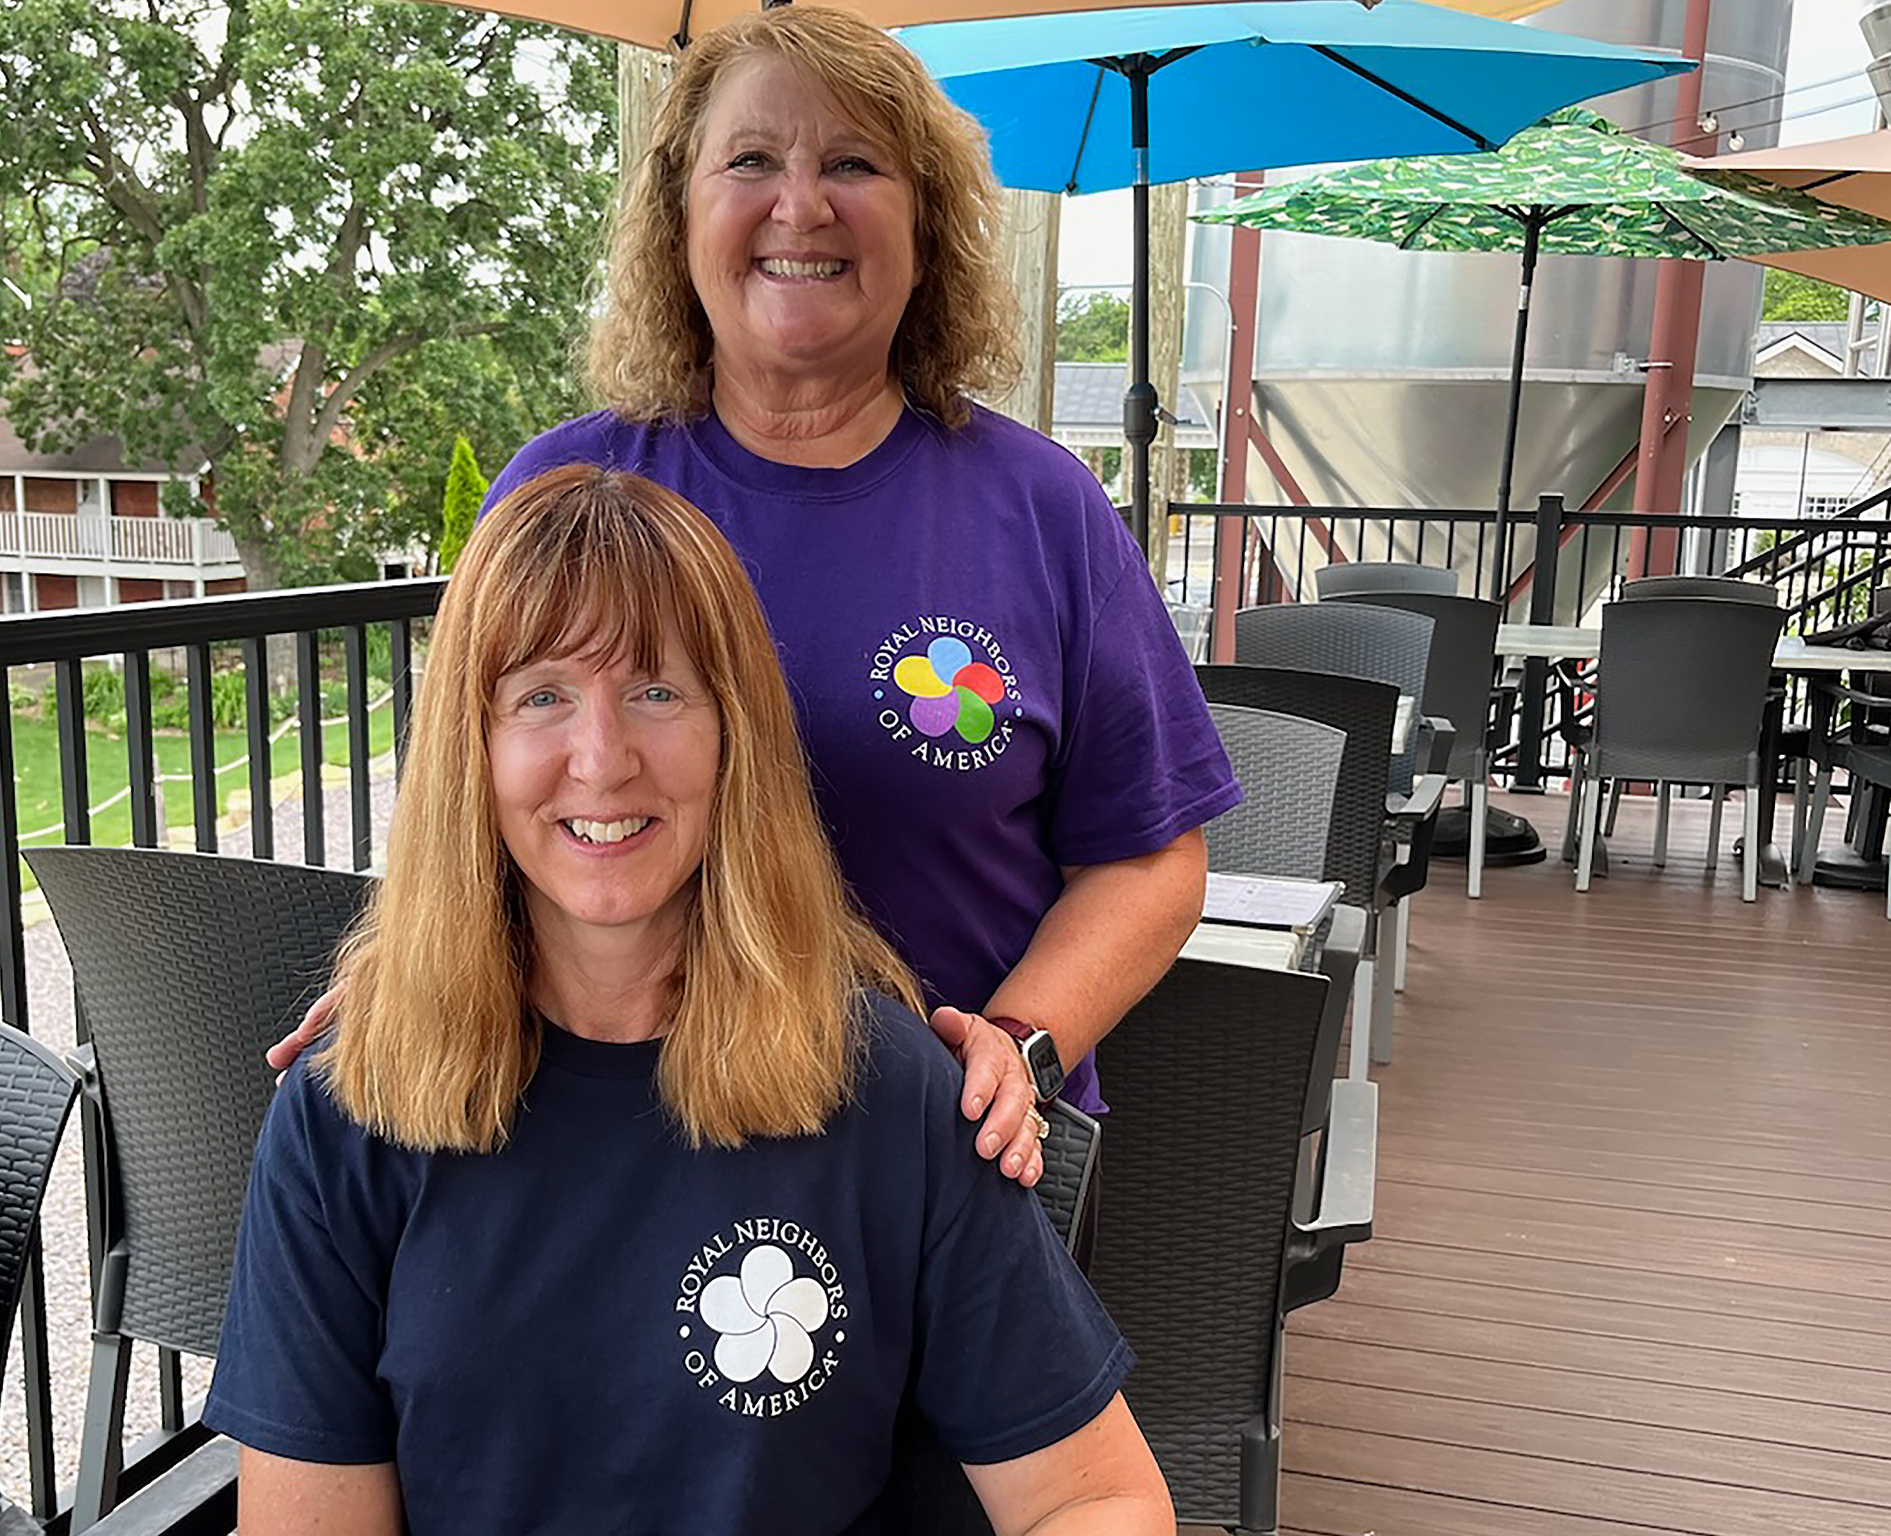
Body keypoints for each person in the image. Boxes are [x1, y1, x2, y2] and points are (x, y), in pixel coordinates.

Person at [273, 4, 1237, 1197]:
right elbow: (471, 814)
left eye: (852, 163)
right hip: (612, 1156)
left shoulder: (1044, 510)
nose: (800, 205)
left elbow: (1151, 857)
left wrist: (1019, 1043)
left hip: (941, 1160)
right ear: (677, 219)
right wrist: (412, 976)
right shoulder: (563, 495)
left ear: (926, 225)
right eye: (750, 161)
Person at [206, 464, 1175, 1536]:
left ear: (732, 739)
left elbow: (1098, 1499)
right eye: (540, 697)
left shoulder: (886, 1091)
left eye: (657, 692)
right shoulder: (348, 1113)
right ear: (468, 753)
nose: (602, 758)